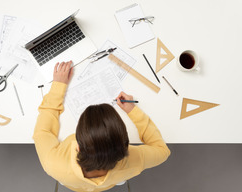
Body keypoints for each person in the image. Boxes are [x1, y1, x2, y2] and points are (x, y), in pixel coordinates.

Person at [33, 61, 170, 192]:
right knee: (120, 180)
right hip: (113, 179)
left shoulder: (52, 164)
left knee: (64, 180)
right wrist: (133, 111)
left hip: (70, 180)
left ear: (78, 147)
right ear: (124, 147)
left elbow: (43, 131)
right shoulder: (133, 160)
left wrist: (58, 86)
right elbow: (162, 151)